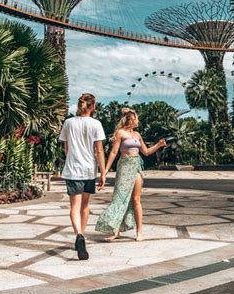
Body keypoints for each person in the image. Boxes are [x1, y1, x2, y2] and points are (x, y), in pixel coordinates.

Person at [95, 108, 166, 242]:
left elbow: (146, 152)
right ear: (131, 120)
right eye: (136, 119)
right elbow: (114, 153)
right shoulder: (120, 133)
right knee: (119, 198)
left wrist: (158, 145)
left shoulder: (137, 135)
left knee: (136, 200)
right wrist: (104, 172)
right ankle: (115, 231)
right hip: (124, 167)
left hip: (136, 167)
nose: (138, 121)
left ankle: (139, 232)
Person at [59, 93, 106, 260]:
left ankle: (78, 234)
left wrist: (72, 158)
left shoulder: (68, 123)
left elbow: (66, 148)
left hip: (73, 169)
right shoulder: (96, 124)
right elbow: (99, 150)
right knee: (85, 206)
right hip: (88, 170)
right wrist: (103, 172)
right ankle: (82, 235)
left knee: (74, 206)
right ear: (93, 107)